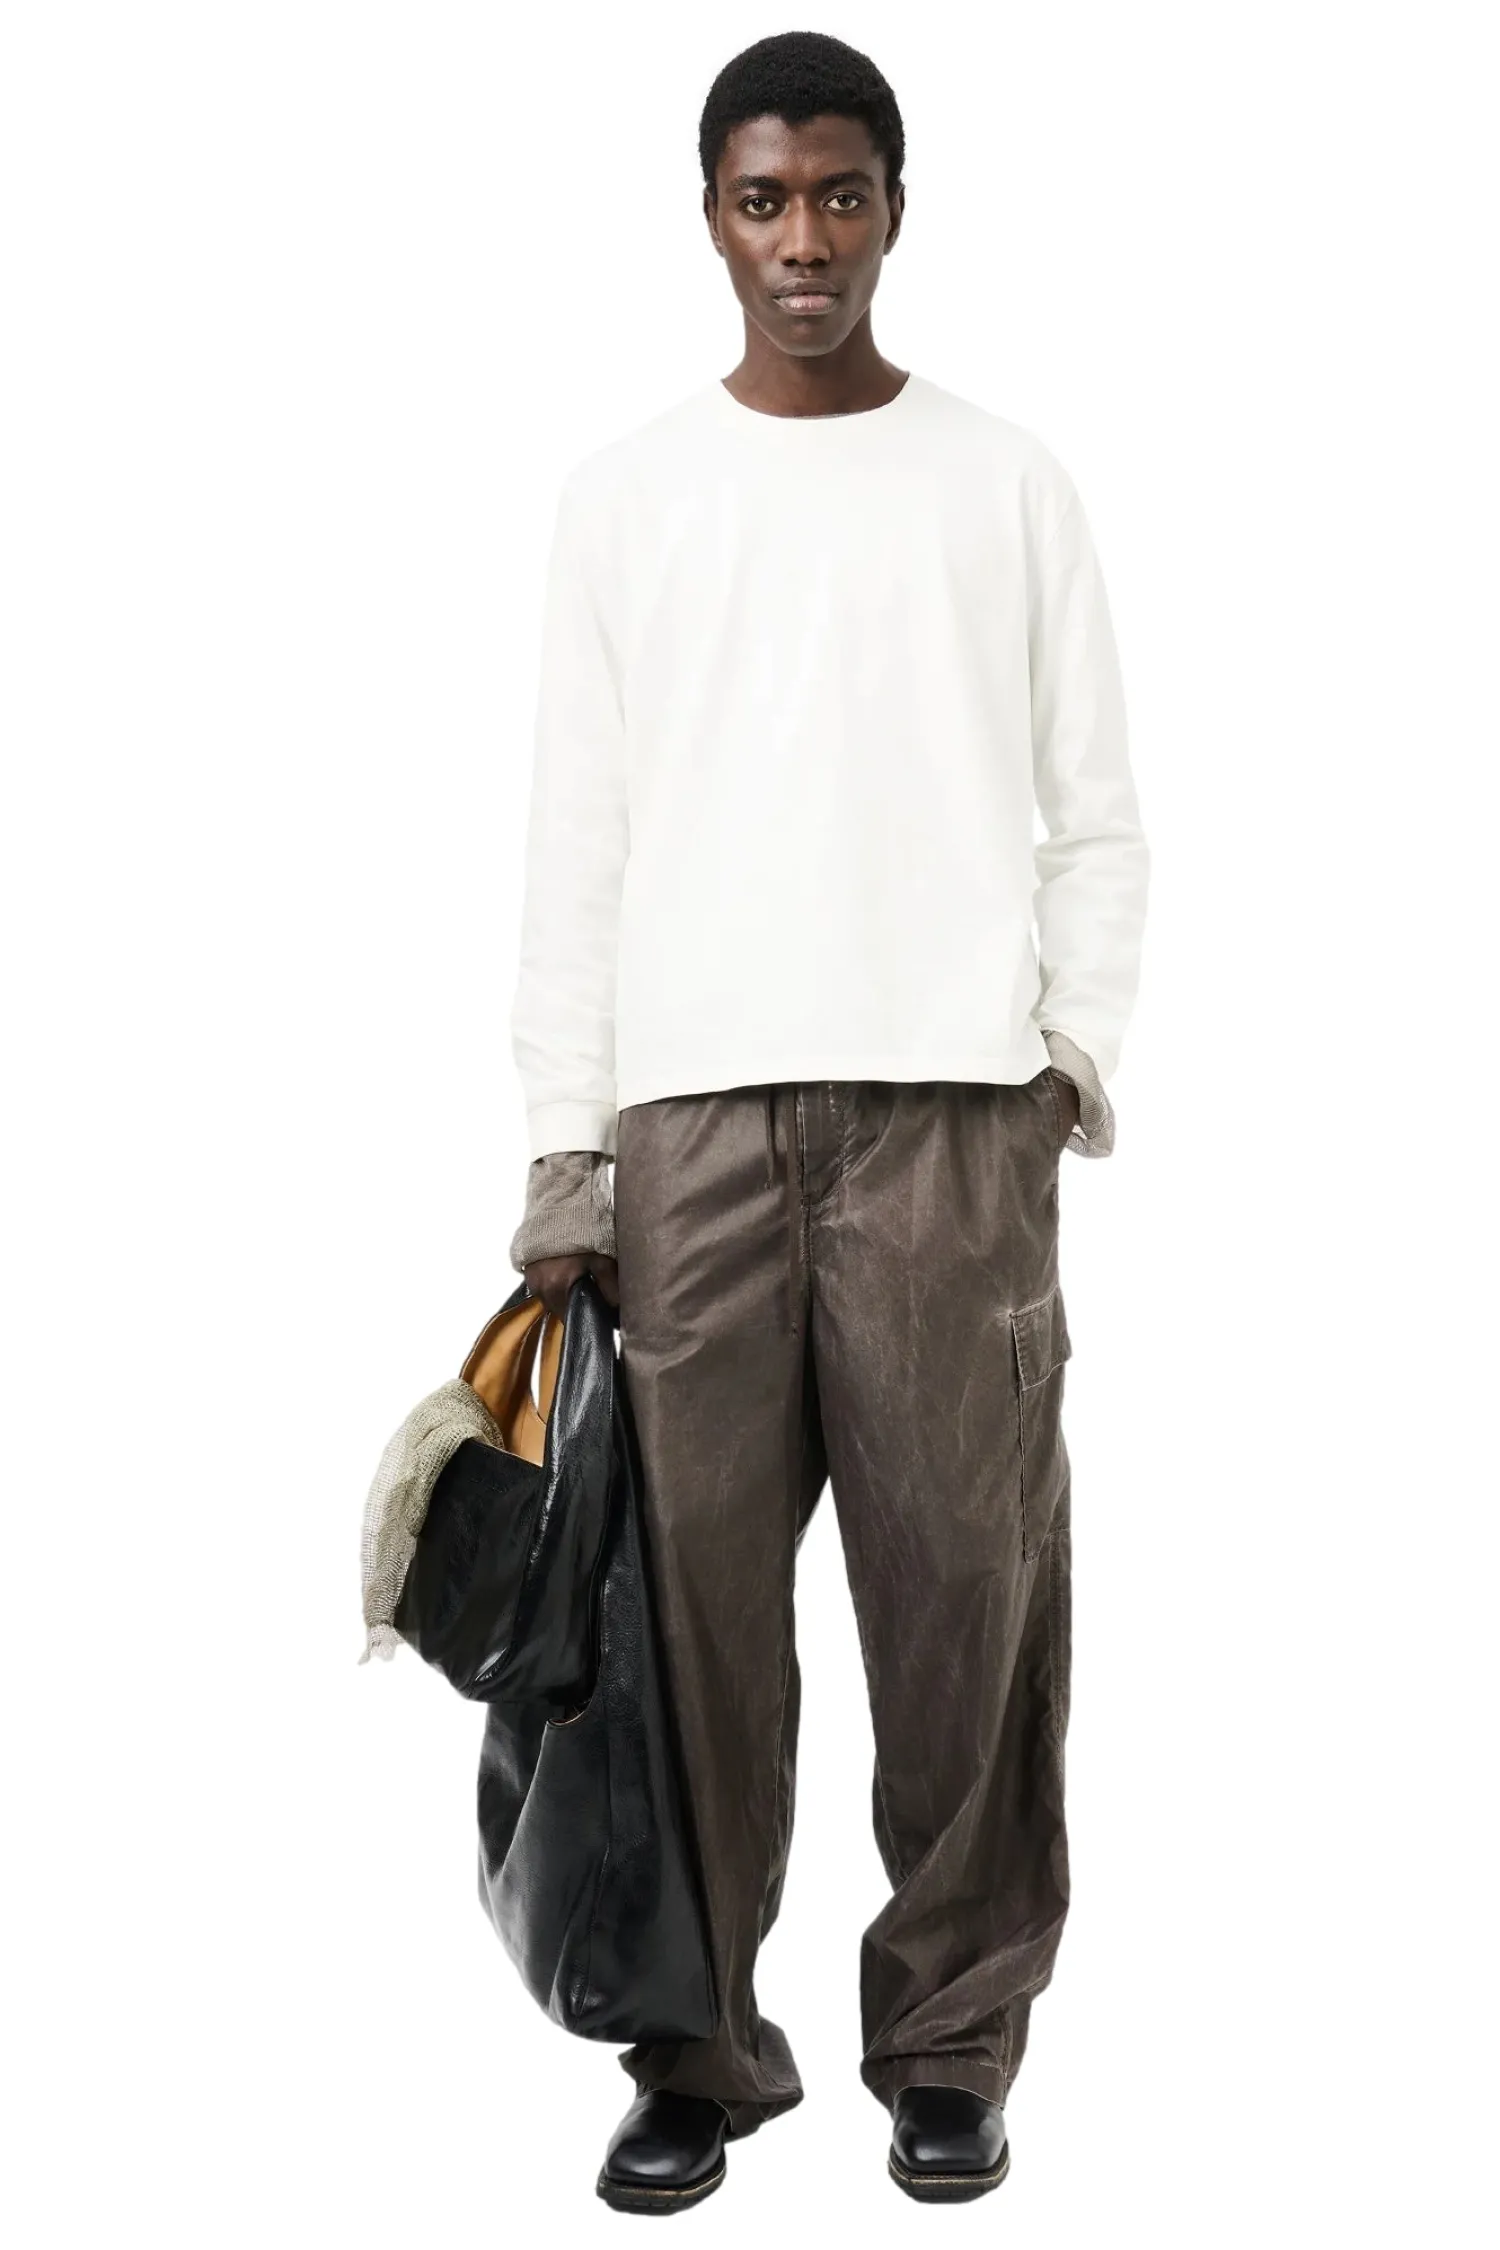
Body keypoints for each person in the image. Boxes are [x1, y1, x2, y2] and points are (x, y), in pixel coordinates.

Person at [506, 30, 1149, 2215]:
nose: (805, 238)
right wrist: (569, 1152)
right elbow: (577, 846)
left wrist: (1066, 1063)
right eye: (765, 198)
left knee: (967, 1603)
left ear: (894, 208)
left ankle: (950, 2043)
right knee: (687, 1624)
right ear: (711, 216)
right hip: (690, 1130)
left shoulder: (1006, 482)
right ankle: (693, 2048)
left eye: (841, 194)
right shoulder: (624, 498)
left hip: (953, 1124)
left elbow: (1098, 815)